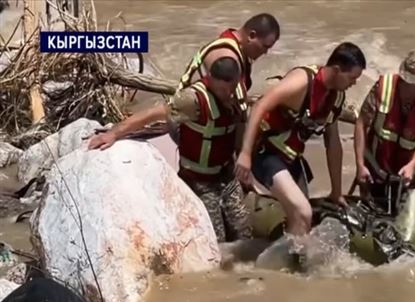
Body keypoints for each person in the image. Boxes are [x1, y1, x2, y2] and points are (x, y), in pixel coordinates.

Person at [86, 57, 252, 243]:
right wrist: (113, 134)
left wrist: (244, 163)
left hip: (227, 176)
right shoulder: (192, 99)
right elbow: (150, 115)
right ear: (210, 80)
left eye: (231, 88)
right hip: (200, 181)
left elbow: (240, 125)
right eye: (222, 89)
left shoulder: (237, 92)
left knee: (244, 234)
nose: (228, 94)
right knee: (216, 240)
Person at [235, 42, 366, 249]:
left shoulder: (336, 97)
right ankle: (287, 267)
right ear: (337, 70)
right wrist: (244, 154)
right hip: (265, 153)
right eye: (352, 78)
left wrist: (337, 191)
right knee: (302, 211)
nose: (354, 83)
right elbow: (261, 105)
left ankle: (290, 260)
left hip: (291, 157)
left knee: (304, 219)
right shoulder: (302, 81)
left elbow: (333, 144)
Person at [353, 50, 415, 213]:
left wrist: (412, 165)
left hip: (410, 174)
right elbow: (362, 123)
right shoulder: (382, 87)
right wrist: (360, 164)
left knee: (414, 228)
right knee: (373, 222)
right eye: (409, 83)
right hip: (375, 170)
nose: (413, 89)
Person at [177, 13, 281, 116]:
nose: (265, 52)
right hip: (192, 122)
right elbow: (240, 111)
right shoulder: (229, 59)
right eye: (265, 46)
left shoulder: (234, 44)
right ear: (251, 35)